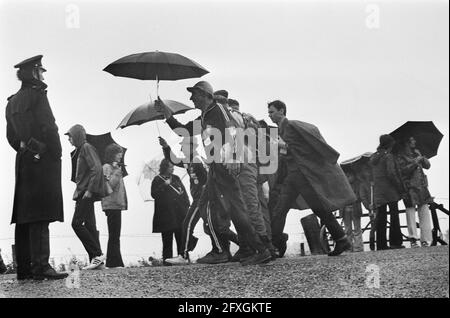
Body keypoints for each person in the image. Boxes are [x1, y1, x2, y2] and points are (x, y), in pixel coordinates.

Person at [156, 81, 272, 265]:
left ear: (203, 94)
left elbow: (233, 132)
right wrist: (166, 114)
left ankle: (251, 249)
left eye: (193, 94)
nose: (191, 98)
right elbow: (183, 131)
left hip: (225, 166)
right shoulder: (204, 116)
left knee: (229, 208)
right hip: (217, 168)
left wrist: (233, 158)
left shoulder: (218, 110)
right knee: (228, 208)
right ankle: (251, 248)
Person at [5, 55, 67, 280]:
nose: (43, 75)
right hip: (42, 159)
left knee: (25, 215)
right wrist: (55, 152)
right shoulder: (38, 96)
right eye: (41, 71)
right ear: (34, 73)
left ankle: (25, 268)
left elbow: (11, 137)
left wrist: (25, 147)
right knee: (41, 213)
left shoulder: (11, 102)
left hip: (23, 161)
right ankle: (41, 267)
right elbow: (49, 127)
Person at [267, 100, 354, 256]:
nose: (269, 115)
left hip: (302, 176)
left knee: (318, 209)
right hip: (293, 176)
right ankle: (275, 244)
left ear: (281, 110)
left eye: (272, 111)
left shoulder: (292, 126)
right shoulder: (280, 130)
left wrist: (283, 146)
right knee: (281, 209)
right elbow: (290, 152)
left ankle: (341, 239)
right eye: (269, 112)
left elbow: (304, 148)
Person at [159, 136, 208, 265]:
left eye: (184, 146)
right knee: (212, 227)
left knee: (187, 224)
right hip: (199, 199)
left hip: (202, 199)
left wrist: (204, 197)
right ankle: (243, 245)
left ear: (192, 147)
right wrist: (165, 147)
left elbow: (207, 181)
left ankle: (184, 255)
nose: (181, 148)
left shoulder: (197, 160)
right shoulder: (190, 160)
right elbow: (174, 160)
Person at [66, 124, 108, 270]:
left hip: (85, 193)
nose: (69, 140)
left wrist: (89, 190)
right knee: (90, 225)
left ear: (77, 135)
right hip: (83, 193)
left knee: (76, 224)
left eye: (70, 136)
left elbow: (96, 168)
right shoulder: (81, 150)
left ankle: (97, 254)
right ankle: (97, 260)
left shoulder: (86, 148)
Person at [370, 134, 405, 250]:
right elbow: (391, 173)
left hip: (379, 191)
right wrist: (400, 187)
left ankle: (381, 244)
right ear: (389, 144)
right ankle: (395, 242)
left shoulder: (374, 157)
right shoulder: (388, 157)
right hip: (390, 190)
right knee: (394, 215)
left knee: (381, 217)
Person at [151, 159, 190, 264]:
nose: (173, 168)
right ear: (165, 167)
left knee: (181, 236)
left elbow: (184, 192)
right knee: (167, 239)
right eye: (170, 166)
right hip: (166, 215)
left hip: (179, 213)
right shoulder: (157, 180)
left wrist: (187, 204)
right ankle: (167, 261)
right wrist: (164, 185)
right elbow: (153, 194)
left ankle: (183, 258)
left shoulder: (176, 178)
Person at [396, 137, 433, 248]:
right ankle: (413, 239)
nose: (415, 142)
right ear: (407, 142)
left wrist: (422, 159)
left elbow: (427, 166)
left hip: (422, 186)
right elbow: (403, 171)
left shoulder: (417, 152)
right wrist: (415, 162)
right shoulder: (400, 156)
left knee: (424, 212)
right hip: (409, 188)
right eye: (412, 140)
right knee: (410, 213)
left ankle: (426, 239)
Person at [101, 143, 128, 268]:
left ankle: (115, 261)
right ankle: (114, 262)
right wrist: (117, 172)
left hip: (116, 205)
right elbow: (108, 186)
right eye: (118, 153)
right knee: (114, 235)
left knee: (115, 234)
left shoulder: (115, 167)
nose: (120, 156)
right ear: (112, 154)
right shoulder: (107, 167)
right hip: (111, 205)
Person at [339, 171, 364, 252]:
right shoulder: (357, 184)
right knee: (356, 229)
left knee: (348, 230)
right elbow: (361, 196)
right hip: (354, 208)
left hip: (346, 209)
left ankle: (349, 247)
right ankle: (358, 247)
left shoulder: (342, 185)